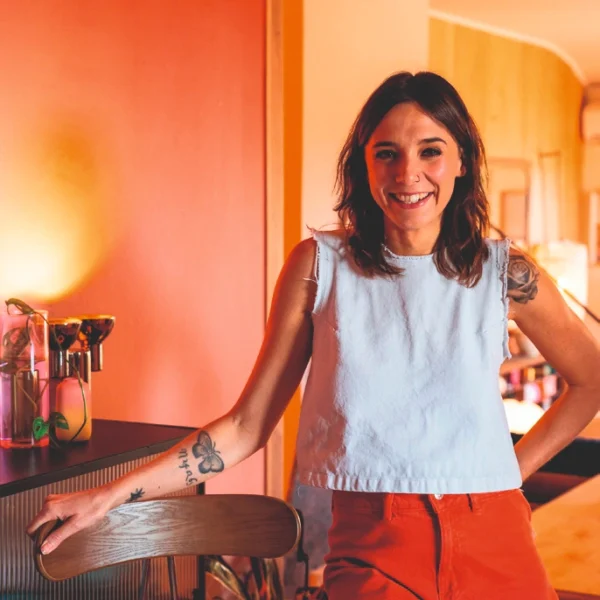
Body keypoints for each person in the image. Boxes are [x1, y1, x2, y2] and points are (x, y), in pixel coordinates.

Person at [27, 71, 600, 599]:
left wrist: (511, 472)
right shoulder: (320, 268)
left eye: (431, 150)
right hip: (375, 549)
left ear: (462, 162)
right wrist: (108, 495)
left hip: (496, 540)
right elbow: (245, 428)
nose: (408, 174)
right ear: (364, 166)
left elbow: (591, 380)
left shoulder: (504, 273)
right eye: (387, 153)